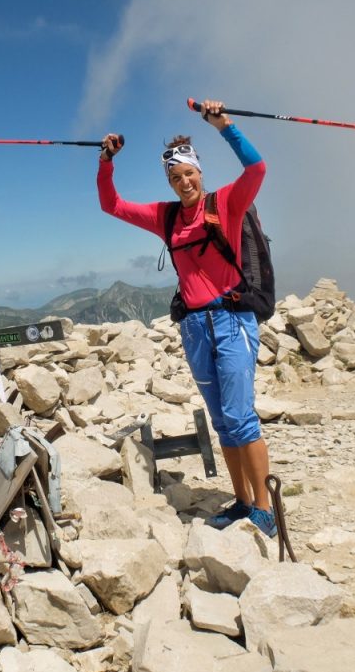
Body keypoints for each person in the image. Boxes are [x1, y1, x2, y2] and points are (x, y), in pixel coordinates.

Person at [97, 99, 276, 537]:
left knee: (240, 418)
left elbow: (257, 170)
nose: (184, 182)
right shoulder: (167, 216)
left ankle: (265, 509)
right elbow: (112, 205)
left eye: (189, 174)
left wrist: (225, 126)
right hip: (195, 327)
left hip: (232, 321)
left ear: (200, 172)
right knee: (221, 421)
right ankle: (242, 501)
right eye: (175, 177)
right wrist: (106, 162)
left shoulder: (226, 204)